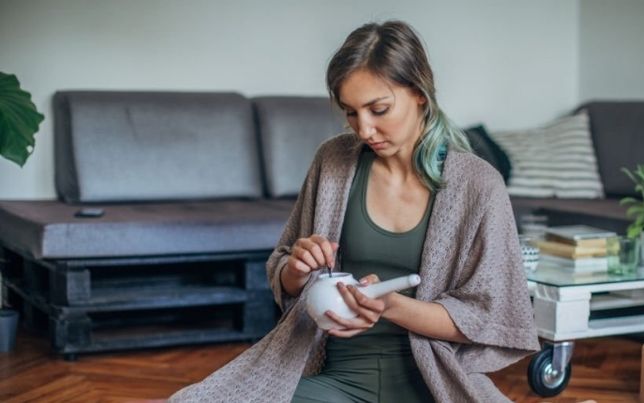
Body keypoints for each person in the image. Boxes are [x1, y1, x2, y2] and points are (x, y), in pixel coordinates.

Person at [169, 20, 539, 403]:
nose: (364, 129)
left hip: (431, 386)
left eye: (378, 109)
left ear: (420, 94)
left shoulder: (479, 185)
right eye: (350, 112)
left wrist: (391, 306)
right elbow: (283, 271)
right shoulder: (332, 161)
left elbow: (489, 317)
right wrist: (296, 269)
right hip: (335, 381)